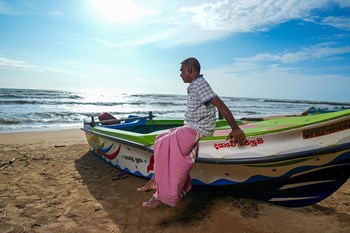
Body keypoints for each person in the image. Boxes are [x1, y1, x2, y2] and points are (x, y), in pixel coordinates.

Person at [138, 57, 246, 208]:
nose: (180, 74)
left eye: (181, 71)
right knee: (160, 138)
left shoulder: (200, 84)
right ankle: (155, 180)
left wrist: (235, 128)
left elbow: (219, 104)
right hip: (192, 125)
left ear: (189, 70)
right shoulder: (195, 84)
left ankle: (161, 195)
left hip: (198, 128)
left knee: (166, 144)